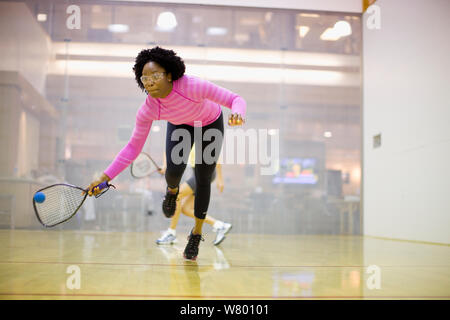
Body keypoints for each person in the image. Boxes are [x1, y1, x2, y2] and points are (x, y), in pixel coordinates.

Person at [87, 46, 246, 261]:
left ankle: (196, 234)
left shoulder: (193, 86)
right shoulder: (148, 109)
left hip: (209, 123)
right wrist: (105, 178)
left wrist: (237, 113)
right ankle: (171, 192)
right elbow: (133, 148)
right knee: (173, 172)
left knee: (203, 178)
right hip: (180, 124)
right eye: (144, 78)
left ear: (170, 75)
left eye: (155, 75)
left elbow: (235, 99)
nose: (149, 81)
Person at [156, 146, 232, 246]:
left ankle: (171, 233)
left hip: (206, 172)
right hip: (195, 172)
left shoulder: (200, 132)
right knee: (186, 209)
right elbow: (168, 148)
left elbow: (215, 153)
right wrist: (165, 165)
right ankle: (219, 225)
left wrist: (220, 178)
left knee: (177, 194)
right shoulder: (184, 133)